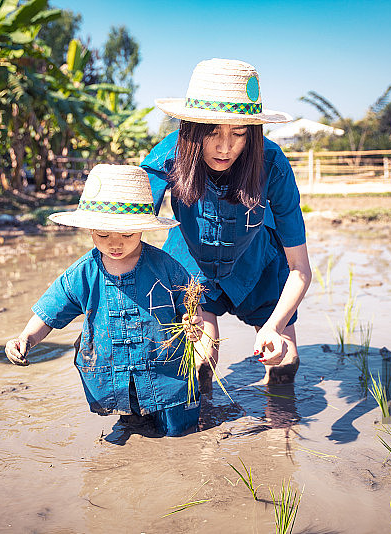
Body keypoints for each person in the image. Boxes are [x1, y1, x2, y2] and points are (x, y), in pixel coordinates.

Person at [141, 58, 312, 391]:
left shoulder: (272, 163)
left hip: (258, 262)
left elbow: (300, 268)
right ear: (192, 130)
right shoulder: (168, 155)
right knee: (202, 360)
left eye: (238, 133)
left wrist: (274, 327)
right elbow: (125, 231)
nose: (225, 147)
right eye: (212, 133)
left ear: (253, 133)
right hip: (192, 261)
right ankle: (203, 432)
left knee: (285, 360)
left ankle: (280, 425)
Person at [5, 164, 203, 437]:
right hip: (115, 376)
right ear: (90, 231)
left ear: (143, 230)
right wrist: (26, 338)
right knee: (132, 429)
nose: (115, 244)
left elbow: (190, 305)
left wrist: (194, 322)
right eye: (104, 235)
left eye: (127, 235)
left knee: (181, 432)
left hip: (168, 374)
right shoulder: (83, 272)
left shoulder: (165, 267)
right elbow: (50, 311)